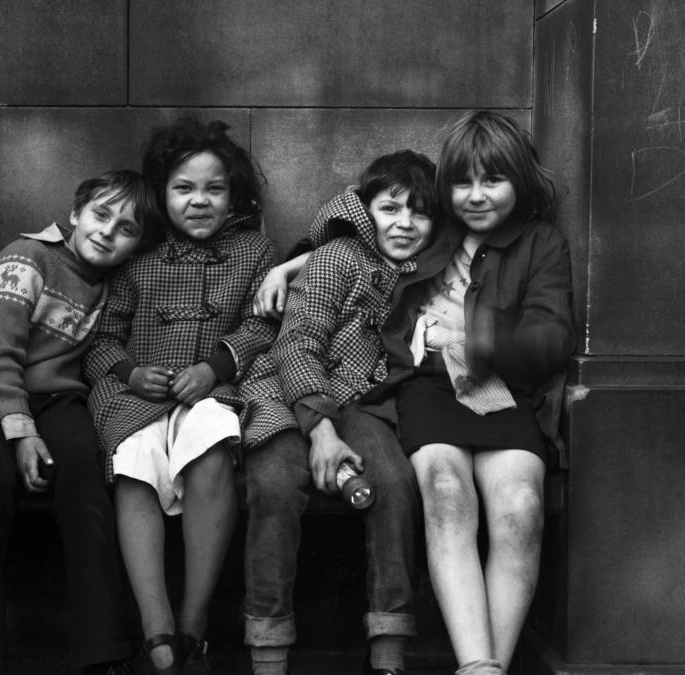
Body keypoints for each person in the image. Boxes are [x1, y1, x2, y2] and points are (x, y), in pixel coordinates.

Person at [375, 111, 574, 675]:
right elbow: (351, 212)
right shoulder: (431, 224)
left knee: (520, 508)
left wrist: (467, 337)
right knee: (445, 491)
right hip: (429, 389)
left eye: (494, 180)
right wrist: (290, 264)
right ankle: (478, 666)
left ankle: (490, 667)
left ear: (521, 180)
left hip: (502, 392)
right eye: (463, 182)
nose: (476, 196)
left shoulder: (542, 244)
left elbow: (550, 340)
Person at [84, 117, 279, 675]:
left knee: (213, 441)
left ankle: (194, 624)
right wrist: (128, 370)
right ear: (161, 192)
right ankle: (156, 628)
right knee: (133, 458)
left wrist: (218, 365)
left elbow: (264, 325)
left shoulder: (254, 251)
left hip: (218, 387)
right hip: (138, 392)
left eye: (214, 189)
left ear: (233, 195)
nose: (199, 201)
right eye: (183, 189)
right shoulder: (136, 251)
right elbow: (101, 336)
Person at [0, 170, 162, 675]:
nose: (108, 232)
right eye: (100, 214)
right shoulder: (29, 257)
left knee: (87, 487)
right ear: (75, 213)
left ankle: (105, 653)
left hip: (59, 402)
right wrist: (20, 430)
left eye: (127, 229)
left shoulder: (112, 284)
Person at [240, 150, 439, 675]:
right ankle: (269, 652)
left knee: (394, 484)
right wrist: (321, 430)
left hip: (361, 403)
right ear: (365, 209)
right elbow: (297, 343)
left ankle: (389, 655)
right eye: (390, 208)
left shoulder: (426, 271)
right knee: (274, 487)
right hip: (287, 393)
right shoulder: (338, 258)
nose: (404, 224)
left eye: (420, 213)